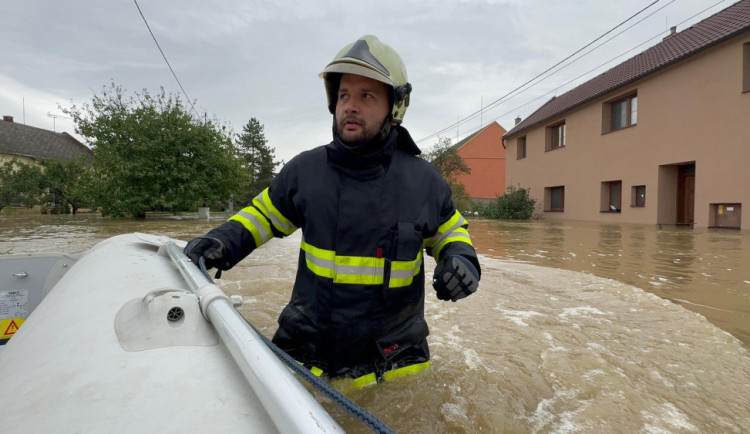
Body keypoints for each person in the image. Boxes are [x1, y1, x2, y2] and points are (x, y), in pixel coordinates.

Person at [184, 35, 480, 387]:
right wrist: (219, 242)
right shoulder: (304, 172)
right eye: (343, 95)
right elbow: (261, 216)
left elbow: (450, 233)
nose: (350, 106)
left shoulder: (425, 182)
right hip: (308, 355)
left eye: (365, 95)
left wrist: (461, 259)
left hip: (395, 367)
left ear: (395, 106)